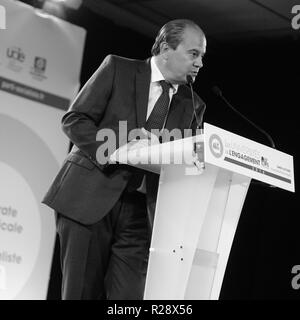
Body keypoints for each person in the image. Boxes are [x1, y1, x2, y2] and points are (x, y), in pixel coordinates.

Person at [42, 19, 207, 300]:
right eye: (194, 54)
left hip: (140, 213)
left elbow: (187, 162)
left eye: (202, 56)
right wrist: (119, 147)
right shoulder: (118, 68)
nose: (200, 63)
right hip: (89, 197)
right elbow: (75, 120)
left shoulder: (194, 104)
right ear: (166, 49)